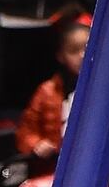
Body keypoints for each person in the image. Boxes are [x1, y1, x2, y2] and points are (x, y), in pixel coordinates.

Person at [16, 11, 89, 163]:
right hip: (53, 166)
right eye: (74, 50)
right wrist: (36, 144)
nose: (82, 56)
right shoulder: (47, 91)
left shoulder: (108, 92)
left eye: (87, 49)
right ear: (61, 56)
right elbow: (25, 132)